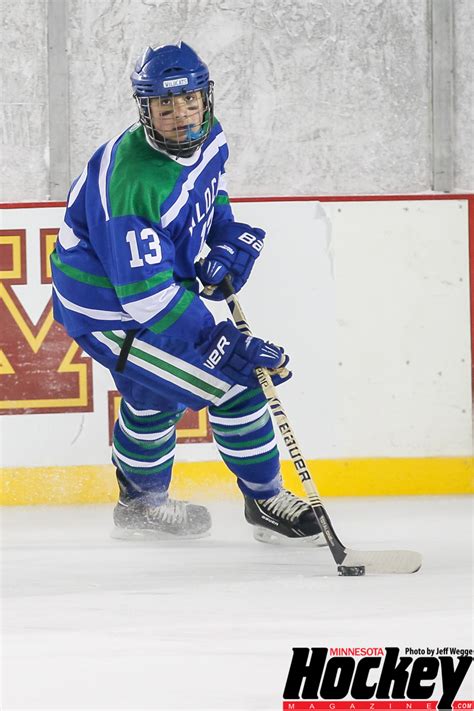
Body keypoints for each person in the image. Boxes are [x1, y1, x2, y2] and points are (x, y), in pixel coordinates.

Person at [50, 41, 323, 545]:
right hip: (111, 309)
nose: (181, 116)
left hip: (147, 290)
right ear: (145, 108)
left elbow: (209, 187)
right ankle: (264, 498)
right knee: (237, 379)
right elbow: (146, 299)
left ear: (206, 98)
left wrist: (222, 237)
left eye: (191, 101)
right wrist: (221, 344)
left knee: (154, 396)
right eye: (165, 106)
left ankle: (139, 506)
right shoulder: (132, 179)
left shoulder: (210, 136)